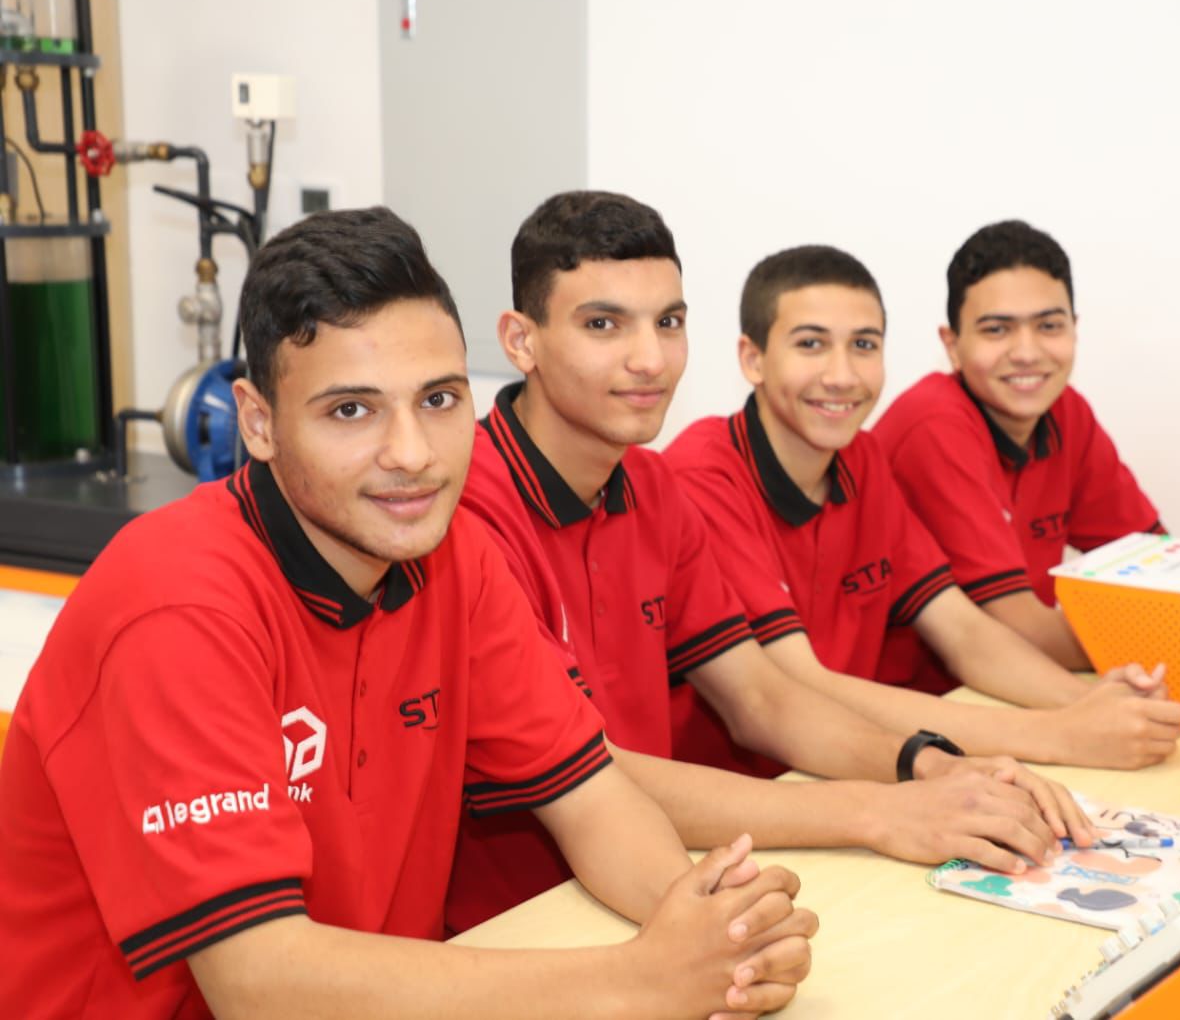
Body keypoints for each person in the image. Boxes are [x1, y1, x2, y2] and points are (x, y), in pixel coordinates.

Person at [0, 207, 813, 1019]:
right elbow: (259, 982)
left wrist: (713, 938)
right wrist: (641, 979)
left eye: (439, 399)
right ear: (258, 423)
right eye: (351, 411)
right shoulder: (176, 605)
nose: (414, 454)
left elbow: (591, 797)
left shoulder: (457, 559)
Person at [448, 191, 1093, 932]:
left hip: (671, 869)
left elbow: (761, 698)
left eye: (669, 323)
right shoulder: (466, 511)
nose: (649, 358)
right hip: (513, 922)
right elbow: (588, 775)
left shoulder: (652, 487)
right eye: (603, 325)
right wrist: (880, 810)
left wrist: (931, 763)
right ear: (521, 341)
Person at [664, 244, 1180, 774]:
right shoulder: (703, 475)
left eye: (863, 345)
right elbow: (800, 685)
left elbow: (962, 630)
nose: (841, 375)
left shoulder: (861, 458)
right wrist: (1058, 734)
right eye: (811, 344)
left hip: (852, 766)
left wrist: (1091, 706)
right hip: (742, 791)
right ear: (752, 359)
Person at [874, 220, 1164, 673]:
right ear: (952, 345)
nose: (1027, 352)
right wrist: (1168, 645)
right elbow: (1016, 629)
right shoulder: (933, 425)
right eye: (997, 330)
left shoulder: (1067, 412)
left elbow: (1160, 566)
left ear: (1074, 329)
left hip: (1011, 687)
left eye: (1049, 325)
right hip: (920, 698)